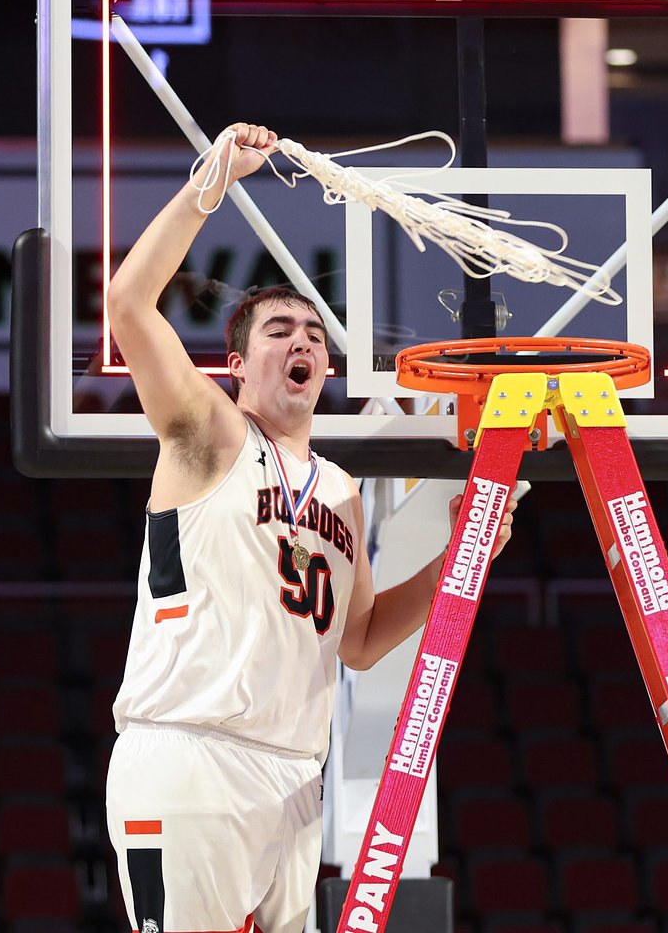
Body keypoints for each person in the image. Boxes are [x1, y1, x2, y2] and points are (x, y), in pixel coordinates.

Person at [103, 123, 515, 933]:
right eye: (278, 332)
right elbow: (126, 305)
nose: (301, 341)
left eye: (314, 334)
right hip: (190, 754)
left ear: (327, 369)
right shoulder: (210, 432)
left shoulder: (339, 488)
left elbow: (358, 641)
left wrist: (455, 563)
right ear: (237, 365)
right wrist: (210, 182)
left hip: (295, 776)